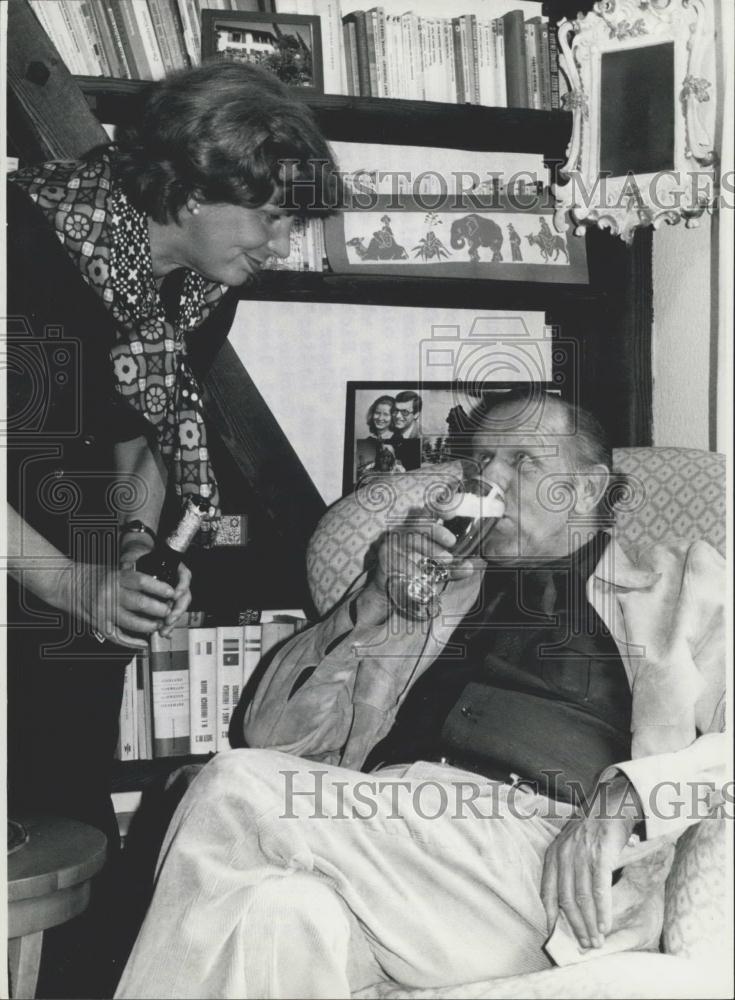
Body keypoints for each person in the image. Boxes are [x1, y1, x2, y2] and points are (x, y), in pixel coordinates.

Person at [115, 391, 726, 999]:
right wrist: (373, 599)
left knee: (229, 786)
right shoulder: (431, 585)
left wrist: (624, 799)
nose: (490, 479)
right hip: (391, 851)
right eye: (481, 461)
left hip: (539, 868)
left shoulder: (675, 584)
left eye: (523, 461)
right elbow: (271, 734)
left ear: (588, 489)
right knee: (282, 914)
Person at [5, 60, 337, 995]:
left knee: (64, 831)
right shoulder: (20, 243)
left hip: (67, 577)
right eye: (269, 216)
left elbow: (140, 432)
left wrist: (133, 547)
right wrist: (69, 581)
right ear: (191, 190)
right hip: (35, 563)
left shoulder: (198, 290)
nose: (282, 243)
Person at [391, 389, 422, 470]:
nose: (397, 416)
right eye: (396, 410)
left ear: (416, 414)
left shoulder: (423, 438)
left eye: (404, 412)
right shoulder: (392, 433)